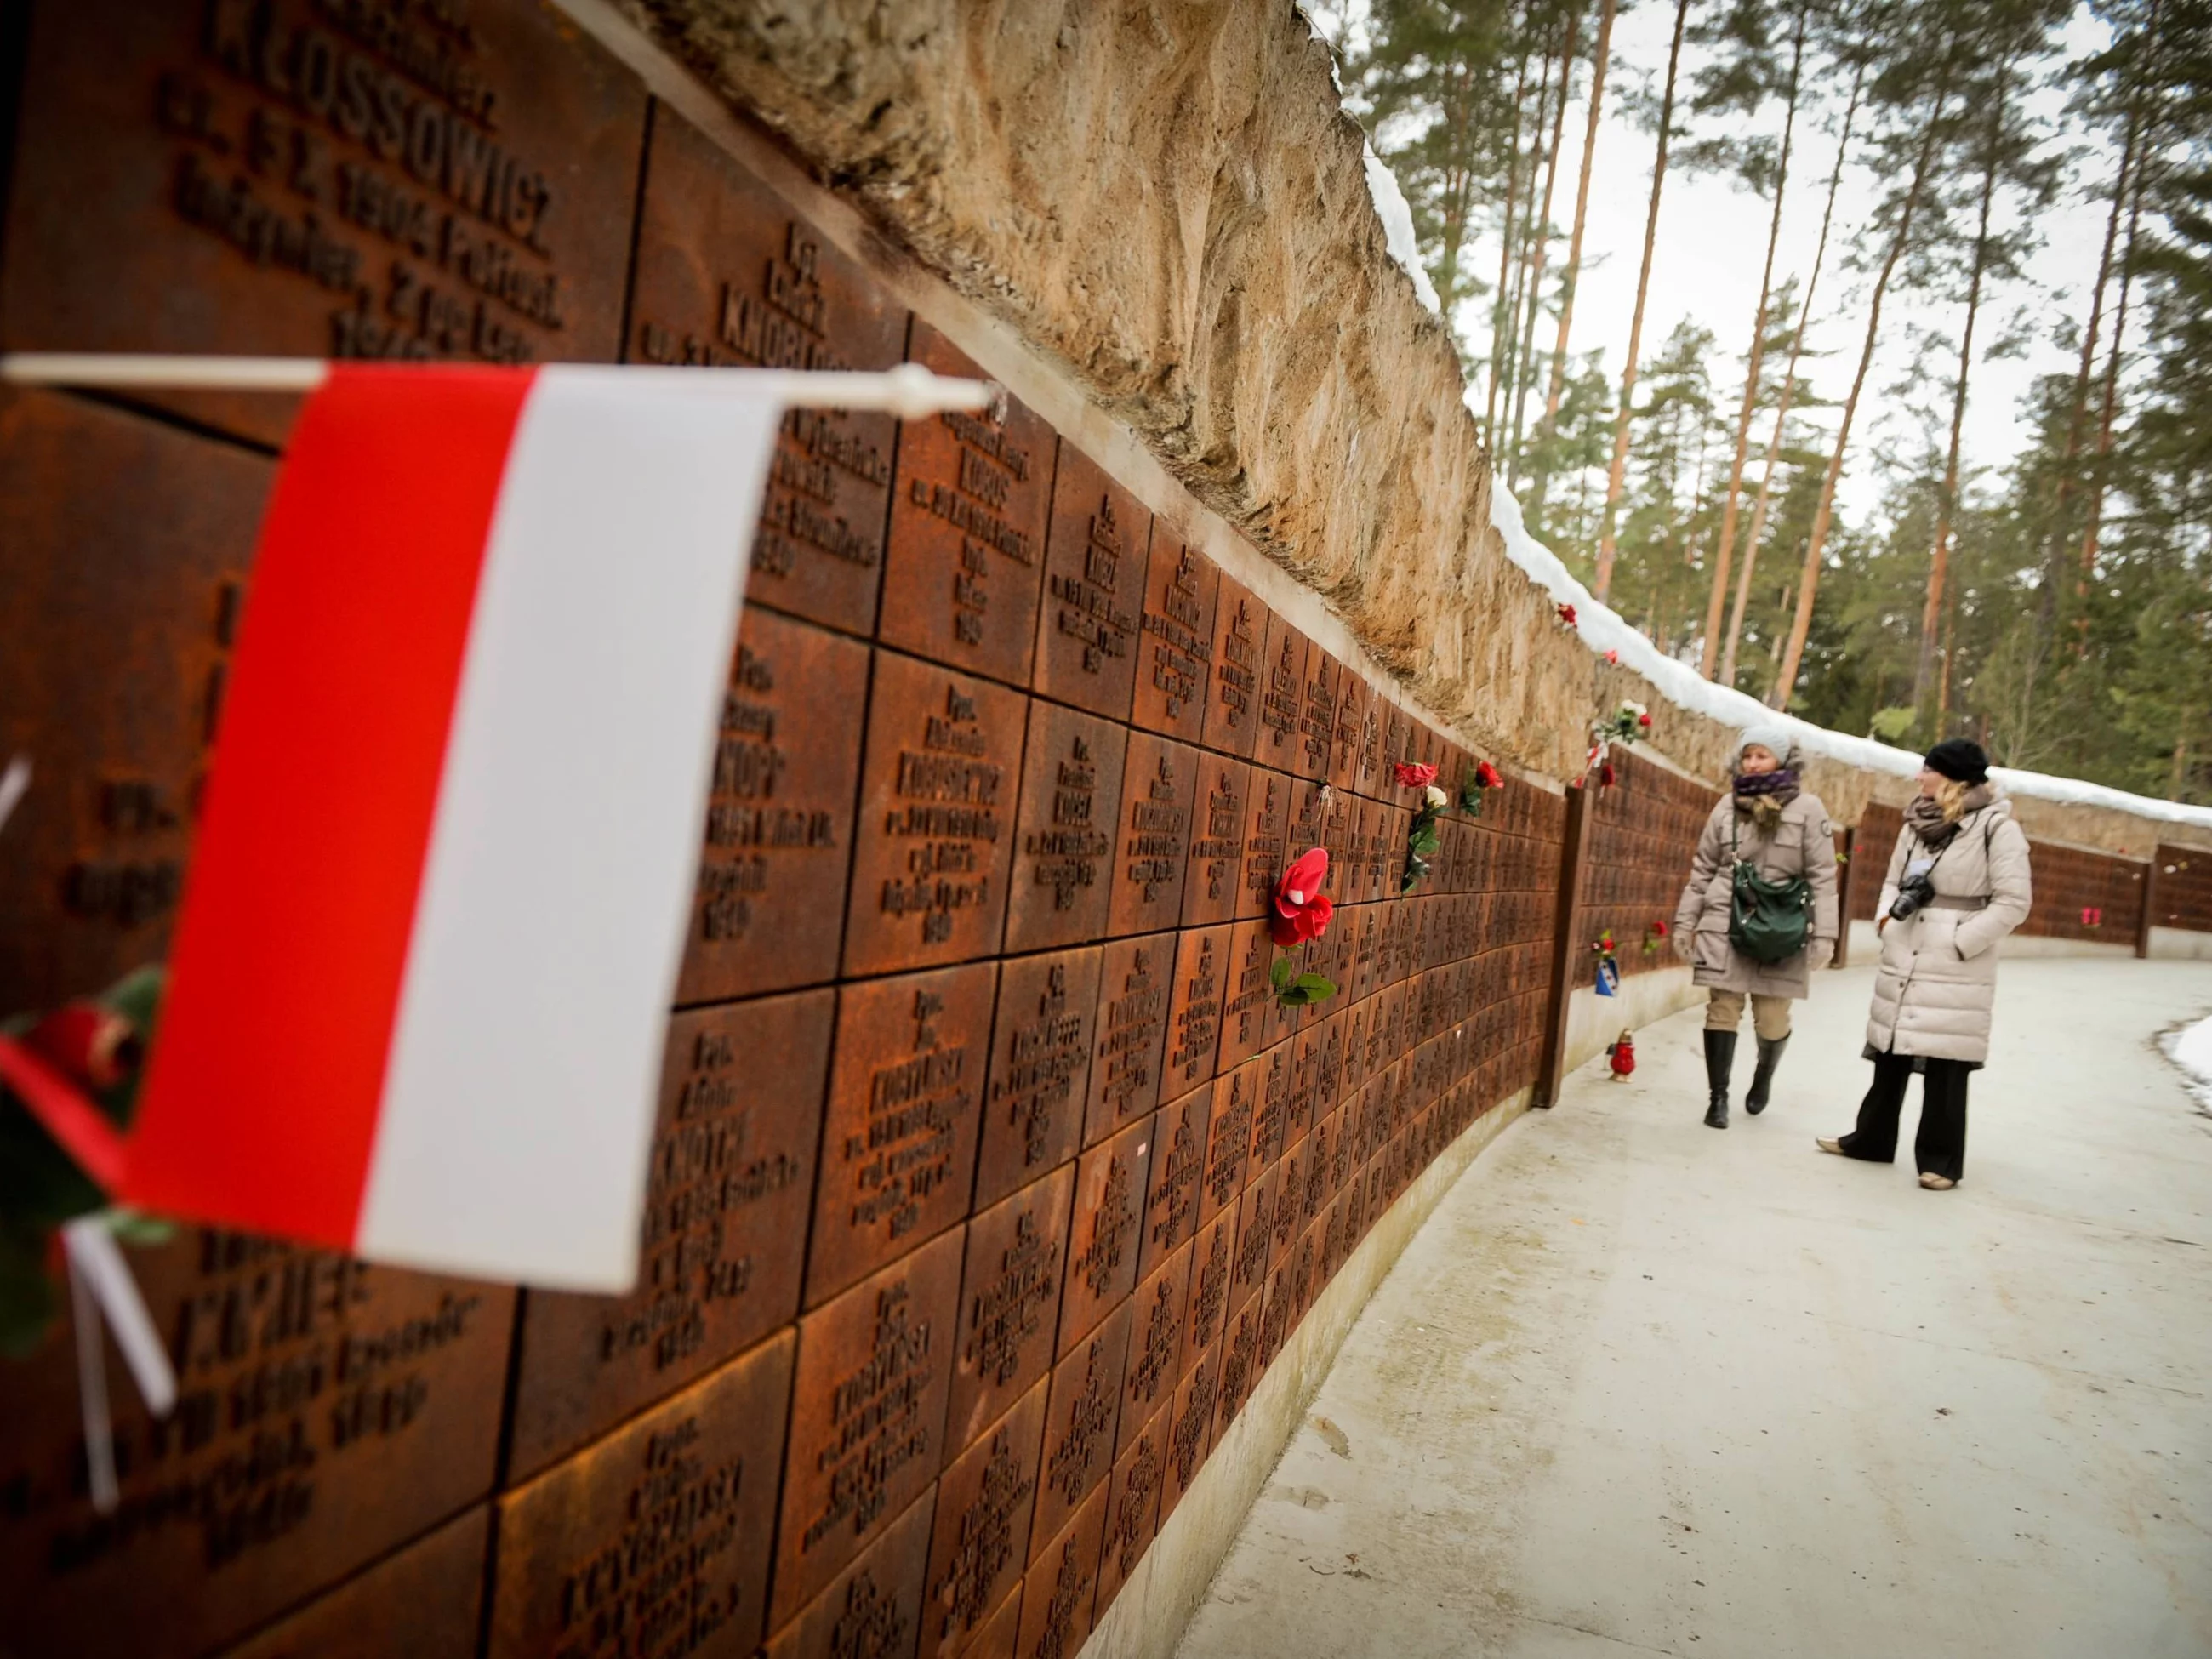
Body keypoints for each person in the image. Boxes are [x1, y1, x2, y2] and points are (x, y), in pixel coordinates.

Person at [1818, 739, 2032, 1189]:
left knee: (1946, 1064)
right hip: (1907, 941)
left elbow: (2014, 901)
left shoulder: (1998, 828)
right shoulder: (1915, 821)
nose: (1919, 776)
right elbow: (1894, 878)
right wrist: (1885, 920)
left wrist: (1961, 942)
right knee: (1890, 1049)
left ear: (1953, 775)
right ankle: (1870, 1141)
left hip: (1957, 958)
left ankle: (1940, 1161)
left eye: (1928, 769)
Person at [1673, 725, 1839, 1129]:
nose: (1752, 763)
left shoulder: (1809, 809)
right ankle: (1718, 1099)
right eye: (1747, 756)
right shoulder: (1726, 807)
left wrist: (1825, 935)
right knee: (1722, 1008)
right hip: (1724, 918)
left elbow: (1823, 877)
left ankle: (1764, 1072)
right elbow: (1703, 869)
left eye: (1761, 755)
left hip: (1781, 925)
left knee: (1771, 1018)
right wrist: (1685, 922)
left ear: (1781, 760)